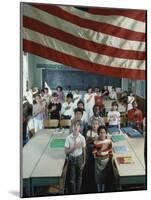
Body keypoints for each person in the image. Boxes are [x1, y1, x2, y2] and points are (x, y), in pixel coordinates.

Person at [64, 120, 86, 194]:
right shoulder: (68, 138)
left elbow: (84, 150)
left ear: (80, 127)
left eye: (78, 125)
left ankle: (78, 192)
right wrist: (74, 147)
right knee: (72, 179)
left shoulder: (82, 138)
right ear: (72, 127)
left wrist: (84, 161)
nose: (76, 127)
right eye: (74, 125)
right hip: (72, 159)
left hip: (79, 158)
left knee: (79, 177)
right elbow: (66, 151)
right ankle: (73, 193)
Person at [92, 126, 113, 192]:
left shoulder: (109, 141)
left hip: (106, 160)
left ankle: (103, 187)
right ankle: (98, 187)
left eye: (104, 132)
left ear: (106, 134)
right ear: (98, 134)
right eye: (100, 132)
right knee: (98, 175)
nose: (102, 134)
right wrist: (97, 157)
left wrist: (109, 157)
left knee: (104, 174)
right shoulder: (96, 142)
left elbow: (110, 150)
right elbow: (94, 152)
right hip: (98, 161)